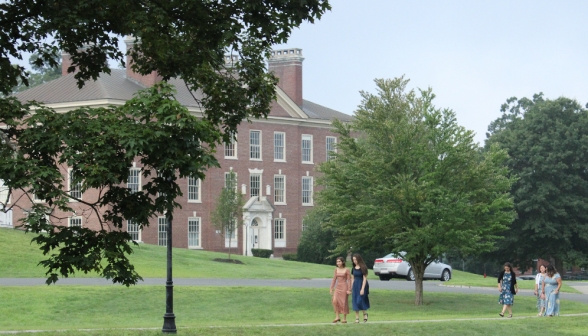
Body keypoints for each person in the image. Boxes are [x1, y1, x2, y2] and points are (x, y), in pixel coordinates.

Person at [330, 256, 352, 323]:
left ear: (342, 262)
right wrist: (331, 288)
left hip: (344, 287)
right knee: (334, 301)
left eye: (339, 261)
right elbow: (334, 279)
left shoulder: (346, 269)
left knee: (344, 302)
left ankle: (344, 318)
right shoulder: (336, 269)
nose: (338, 263)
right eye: (337, 262)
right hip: (338, 287)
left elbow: (349, 280)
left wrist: (349, 289)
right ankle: (337, 316)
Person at [351, 253, 370, 323]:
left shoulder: (363, 267)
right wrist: (351, 287)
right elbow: (352, 278)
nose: (354, 261)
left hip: (362, 284)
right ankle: (357, 319)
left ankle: (365, 313)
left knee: (360, 301)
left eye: (355, 259)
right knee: (355, 301)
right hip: (355, 285)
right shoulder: (353, 268)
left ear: (358, 259)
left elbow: (365, 278)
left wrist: (362, 289)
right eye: (353, 260)